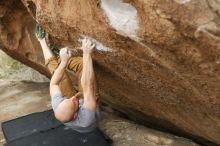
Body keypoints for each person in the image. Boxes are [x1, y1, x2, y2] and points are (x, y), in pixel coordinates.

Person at [36, 24, 100, 133]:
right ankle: (63, 58)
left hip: (71, 107)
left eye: (67, 99)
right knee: (83, 63)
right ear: (75, 115)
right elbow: (88, 85)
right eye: (74, 102)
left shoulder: (60, 106)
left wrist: (64, 62)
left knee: (57, 73)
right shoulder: (86, 118)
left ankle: (44, 43)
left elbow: (53, 84)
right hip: (89, 102)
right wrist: (86, 52)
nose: (73, 97)